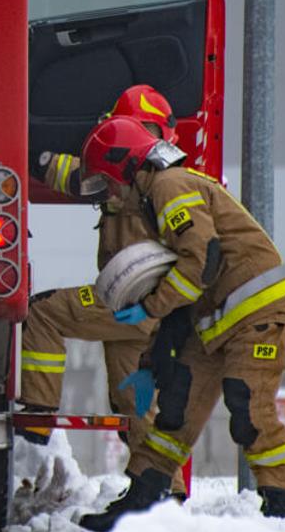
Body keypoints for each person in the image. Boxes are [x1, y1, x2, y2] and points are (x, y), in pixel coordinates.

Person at [74, 116, 285, 531]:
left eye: (107, 182)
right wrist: (153, 358)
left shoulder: (169, 186)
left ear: (126, 165)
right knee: (175, 410)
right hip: (216, 319)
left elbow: (201, 261)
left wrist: (149, 308)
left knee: (248, 405)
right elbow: (183, 284)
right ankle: (143, 499)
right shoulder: (155, 198)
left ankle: (283, 508)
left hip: (255, 312)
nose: (108, 194)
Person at [18, 85, 178, 444]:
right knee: (134, 406)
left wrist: (33, 153)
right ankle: (157, 477)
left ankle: (38, 415)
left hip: (131, 300)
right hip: (151, 309)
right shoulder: (165, 173)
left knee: (42, 313)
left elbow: (81, 179)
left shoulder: (138, 171)